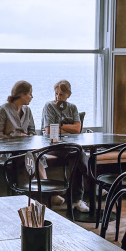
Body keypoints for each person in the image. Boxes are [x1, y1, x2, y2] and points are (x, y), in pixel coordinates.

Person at [41, 80, 89, 213]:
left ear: (68, 95)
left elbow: (78, 129)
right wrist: (69, 128)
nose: (58, 97)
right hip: (53, 145)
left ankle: (76, 199)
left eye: (61, 94)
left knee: (76, 154)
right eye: (56, 93)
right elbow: (49, 130)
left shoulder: (72, 108)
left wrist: (60, 126)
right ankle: (91, 181)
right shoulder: (49, 106)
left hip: (71, 146)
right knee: (78, 152)